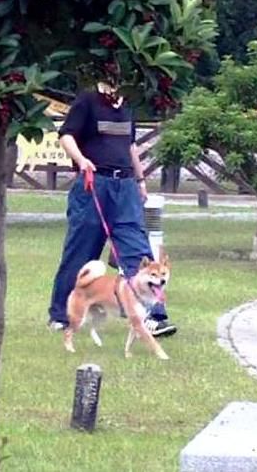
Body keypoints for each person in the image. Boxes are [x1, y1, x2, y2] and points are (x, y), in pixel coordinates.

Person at [47, 79, 178, 337]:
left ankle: (154, 315)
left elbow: (130, 147)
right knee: (80, 252)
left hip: (125, 186)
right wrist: (82, 161)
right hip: (94, 184)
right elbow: (66, 136)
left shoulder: (126, 105)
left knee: (138, 251)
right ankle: (61, 315)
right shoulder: (87, 101)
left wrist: (140, 181)